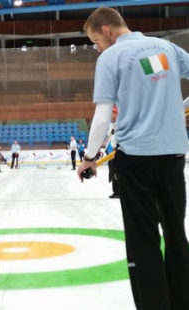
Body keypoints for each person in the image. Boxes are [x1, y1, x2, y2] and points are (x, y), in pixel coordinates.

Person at [78, 7, 189, 310]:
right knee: (176, 234)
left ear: (106, 31)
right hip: (173, 154)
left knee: (144, 241)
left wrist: (89, 157)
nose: (97, 48)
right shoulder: (167, 48)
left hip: (136, 159)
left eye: (95, 41)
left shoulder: (110, 58)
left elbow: (102, 117)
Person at [105, 106, 119, 199]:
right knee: (112, 172)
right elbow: (108, 136)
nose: (111, 115)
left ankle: (119, 191)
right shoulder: (111, 125)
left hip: (116, 152)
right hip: (110, 153)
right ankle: (115, 191)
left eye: (112, 113)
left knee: (117, 173)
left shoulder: (119, 124)